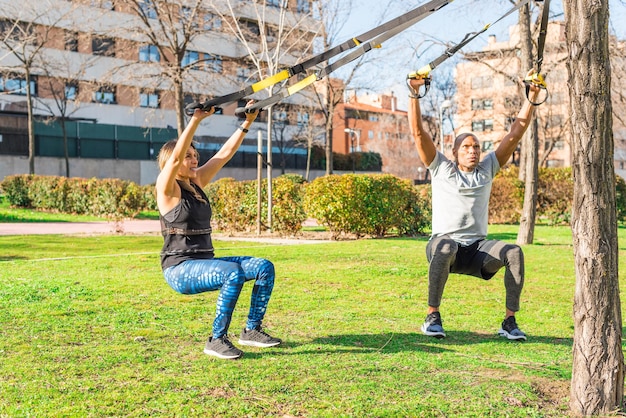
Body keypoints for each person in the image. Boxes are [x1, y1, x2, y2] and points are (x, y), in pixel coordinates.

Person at [407, 73, 541, 341]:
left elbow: (516, 132)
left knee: (513, 252)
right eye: (466, 147)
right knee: (446, 246)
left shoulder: (487, 168)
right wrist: (414, 93)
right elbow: (418, 132)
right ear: (455, 152)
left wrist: (532, 98)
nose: (473, 151)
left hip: (477, 250)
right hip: (444, 247)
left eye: (476, 147)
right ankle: (432, 316)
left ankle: (509, 321)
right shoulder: (441, 168)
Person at [156, 103, 281, 359]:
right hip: (179, 269)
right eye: (188, 156)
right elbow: (177, 157)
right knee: (233, 274)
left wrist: (247, 123)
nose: (194, 160)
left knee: (263, 267)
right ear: (172, 161)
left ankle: (252, 330)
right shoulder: (167, 188)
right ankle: (216, 339)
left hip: (205, 263)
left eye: (195, 156)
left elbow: (224, 153)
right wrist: (196, 120)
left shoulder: (197, 183)